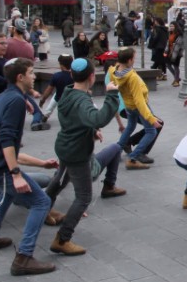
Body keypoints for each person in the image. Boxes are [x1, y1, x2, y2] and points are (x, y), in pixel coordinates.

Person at [0, 58, 56, 276]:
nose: (34, 76)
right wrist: (15, 173)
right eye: (31, 72)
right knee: (40, 201)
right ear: (20, 77)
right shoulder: (14, 101)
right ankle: (24, 257)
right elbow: (6, 138)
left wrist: (25, 98)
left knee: (8, 193)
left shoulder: (5, 96)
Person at [49, 58, 126, 256]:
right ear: (92, 77)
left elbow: (77, 119)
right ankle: (62, 239)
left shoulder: (68, 92)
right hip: (76, 152)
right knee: (83, 197)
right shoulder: (82, 99)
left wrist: (91, 131)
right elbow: (98, 118)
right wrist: (111, 94)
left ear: (72, 75)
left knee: (60, 180)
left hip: (65, 146)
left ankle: (42, 208)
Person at [110, 47, 164, 169]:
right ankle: (133, 157)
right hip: (137, 106)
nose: (134, 60)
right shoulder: (131, 77)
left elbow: (111, 71)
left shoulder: (115, 70)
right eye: (133, 58)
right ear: (129, 60)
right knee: (151, 131)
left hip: (128, 106)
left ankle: (116, 152)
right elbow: (139, 101)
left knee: (130, 127)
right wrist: (151, 118)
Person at [39, 54, 74, 123]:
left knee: (55, 97)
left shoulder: (56, 76)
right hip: (72, 98)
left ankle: (46, 114)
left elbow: (49, 90)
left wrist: (43, 100)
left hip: (59, 97)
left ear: (61, 65)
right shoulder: (74, 75)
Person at [166, 22, 184, 86]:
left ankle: (177, 81)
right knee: (168, 65)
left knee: (176, 66)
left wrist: (174, 55)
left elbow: (178, 46)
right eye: (170, 26)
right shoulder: (170, 33)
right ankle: (177, 78)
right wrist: (166, 51)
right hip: (170, 52)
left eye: (172, 26)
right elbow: (168, 43)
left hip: (176, 53)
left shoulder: (179, 35)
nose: (171, 27)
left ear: (176, 27)